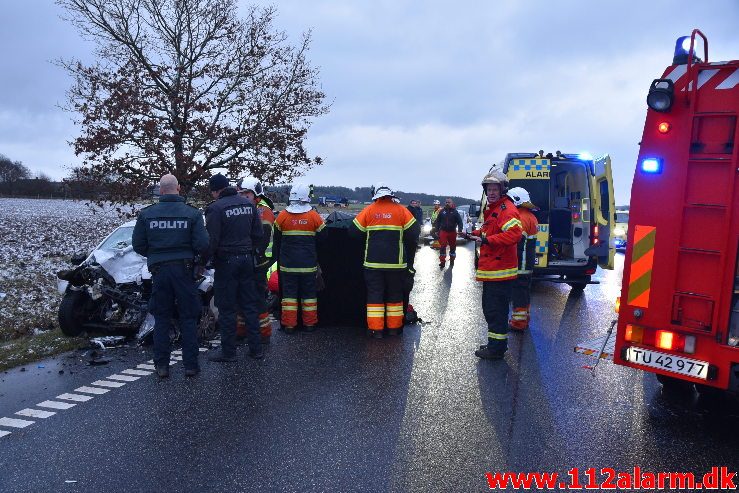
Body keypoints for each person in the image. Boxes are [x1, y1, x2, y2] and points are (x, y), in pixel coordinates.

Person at [132, 174, 209, 378]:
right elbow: (202, 244)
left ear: (161, 190)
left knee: (162, 318)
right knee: (188, 317)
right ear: (178, 189)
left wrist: (156, 255)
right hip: (185, 271)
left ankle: (162, 367)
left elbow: (138, 245)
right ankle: (191, 366)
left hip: (159, 271)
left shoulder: (147, 214)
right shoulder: (192, 214)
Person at [205, 173, 264, 361]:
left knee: (227, 307)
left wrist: (203, 262)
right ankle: (256, 349)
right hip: (247, 259)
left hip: (227, 262)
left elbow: (212, 240)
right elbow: (258, 234)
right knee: (249, 305)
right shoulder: (249, 205)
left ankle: (228, 352)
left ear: (216, 191)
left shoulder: (215, 208)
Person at [350, 182, 420, 338]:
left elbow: (353, 233)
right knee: (395, 296)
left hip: (373, 264)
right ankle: (394, 329)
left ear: (376, 195)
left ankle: (376, 331)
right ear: (391, 195)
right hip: (397, 265)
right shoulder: (402, 211)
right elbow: (414, 233)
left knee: (375, 296)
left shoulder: (369, 210)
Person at [468, 171, 522, 360]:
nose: (491, 193)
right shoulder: (495, 209)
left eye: (494, 189)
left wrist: (487, 240)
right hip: (493, 272)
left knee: (495, 311)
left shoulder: (506, 210)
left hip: (500, 272)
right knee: (491, 310)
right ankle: (495, 344)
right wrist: (475, 233)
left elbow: (515, 234)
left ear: (502, 190)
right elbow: (488, 229)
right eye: (488, 189)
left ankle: (496, 349)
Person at [273, 183, 325, 333]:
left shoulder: (282, 216)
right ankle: (310, 325)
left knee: (289, 297)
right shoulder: (313, 216)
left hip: (287, 266)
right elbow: (324, 236)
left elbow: (276, 238)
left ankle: (289, 325)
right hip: (308, 265)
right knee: (309, 296)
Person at [236, 176, 276, 344]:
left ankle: (264, 333)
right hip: (246, 260)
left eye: (246, 193)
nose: (242, 196)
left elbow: (263, 236)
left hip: (259, 261)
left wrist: (253, 252)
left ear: (255, 194)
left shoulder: (263, 211)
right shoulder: (245, 208)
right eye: (240, 193)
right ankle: (242, 331)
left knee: (258, 299)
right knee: (241, 298)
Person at [506, 187, 539, 331]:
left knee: (519, 293)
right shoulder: (531, 216)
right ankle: (524, 319)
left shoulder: (520, 218)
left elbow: (516, 243)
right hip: (528, 263)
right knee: (524, 292)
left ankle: (518, 323)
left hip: (520, 263)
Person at [434, 197, 464, 269]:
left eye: (449, 202)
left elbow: (460, 222)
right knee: (442, 246)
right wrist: (436, 230)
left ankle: (452, 260)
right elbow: (438, 221)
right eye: (446, 202)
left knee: (452, 246)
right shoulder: (442, 211)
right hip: (443, 231)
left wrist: (460, 229)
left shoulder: (455, 212)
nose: (447, 203)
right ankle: (442, 262)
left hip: (452, 232)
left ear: (452, 203)